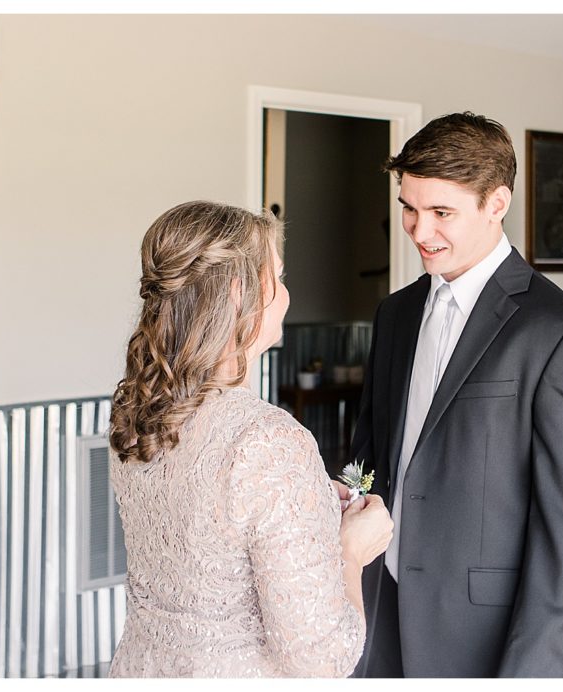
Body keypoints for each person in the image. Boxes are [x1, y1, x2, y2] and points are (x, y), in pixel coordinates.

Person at [350, 112, 563, 678]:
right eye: (409, 209)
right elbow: (371, 461)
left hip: (484, 641)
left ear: (496, 204)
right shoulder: (394, 315)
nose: (420, 232)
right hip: (376, 617)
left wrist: (532, 674)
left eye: (441, 212)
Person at [107, 201, 393, 677]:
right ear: (242, 292)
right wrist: (350, 554)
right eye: (278, 278)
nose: (285, 293)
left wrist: (313, 502)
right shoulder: (267, 439)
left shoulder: (137, 410)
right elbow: (321, 658)